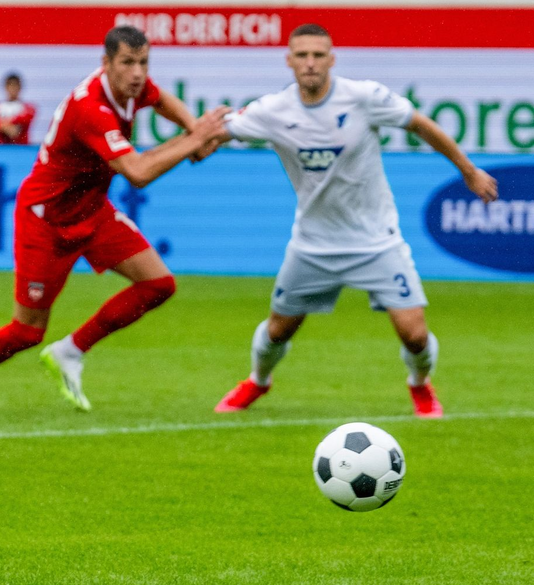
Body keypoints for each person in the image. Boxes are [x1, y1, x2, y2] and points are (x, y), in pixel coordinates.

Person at [210, 24, 498, 419]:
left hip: (376, 240)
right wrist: (191, 145)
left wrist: (468, 169)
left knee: (414, 334)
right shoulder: (272, 110)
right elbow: (215, 134)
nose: (310, 63)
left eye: (318, 55)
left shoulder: (363, 97)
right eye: (302, 55)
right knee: (278, 330)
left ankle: (420, 385)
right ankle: (258, 381)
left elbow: (420, 124)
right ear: (289, 61)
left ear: (332, 59)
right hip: (313, 244)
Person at [0, 26, 229, 413]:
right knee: (27, 331)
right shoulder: (91, 107)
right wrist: (195, 139)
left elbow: (162, 100)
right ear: (105, 63)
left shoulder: (131, 86)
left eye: (143, 62)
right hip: (47, 220)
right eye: (127, 63)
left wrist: (194, 128)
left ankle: (71, 351)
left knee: (158, 283)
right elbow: (137, 172)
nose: (138, 72)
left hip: (92, 211)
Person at [0, 72, 38, 144]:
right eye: (10, 85)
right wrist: (8, 127)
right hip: (1, 149)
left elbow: (25, 119)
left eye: (15, 85)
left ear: (20, 87)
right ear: (5, 87)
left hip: (22, 149)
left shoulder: (29, 108)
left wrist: (4, 125)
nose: (13, 89)